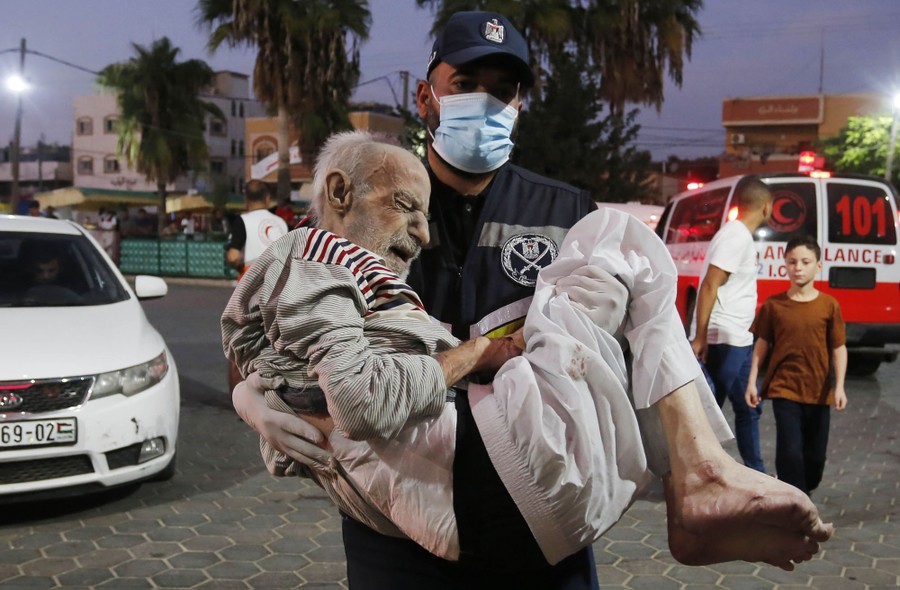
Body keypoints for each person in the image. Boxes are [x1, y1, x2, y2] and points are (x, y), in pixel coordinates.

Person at [231, 11, 831, 588]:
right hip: (398, 522)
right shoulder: (365, 204)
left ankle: (696, 478)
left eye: (503, 91)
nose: (485, 103)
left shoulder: (566, 211)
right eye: (465, 84)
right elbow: (261, 325)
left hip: (536, 510)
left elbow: (633, 345)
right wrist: (249, 397)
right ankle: (697, 481)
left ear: (519, 106)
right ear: (425, 97)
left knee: (624, 246)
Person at [745, 235, 847, 495]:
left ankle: (804, 488)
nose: (798, 268)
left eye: (805, 262)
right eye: (792, 262)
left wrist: (839, 387)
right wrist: (752, 381)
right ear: (785, 265)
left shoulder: (829, 305)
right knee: (790, 451)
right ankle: (796, 500)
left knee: (815, 458)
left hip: (819, 392)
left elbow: (838, 348)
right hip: (784, 389)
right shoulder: (774, 305)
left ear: (818, 265)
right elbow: (762, 344)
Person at [690, 175, 773, 473]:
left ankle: (756, 472)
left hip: (739, 337)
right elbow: (710, 284)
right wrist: (700, 337)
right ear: (766, 207)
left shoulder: (737, 235)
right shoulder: (735, 237)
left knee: (749, 407)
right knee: (710, 413)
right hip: (723, 338)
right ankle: (695, 473)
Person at [226, 179, 289, 393]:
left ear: (246, 200)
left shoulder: (242, 221)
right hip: (280, 290)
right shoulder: (281, 223)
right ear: (268, 199)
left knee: (241, 344)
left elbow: (233, 255)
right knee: (276, 343)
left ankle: (240, 395)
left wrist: (236, 264)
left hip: (251, 292)